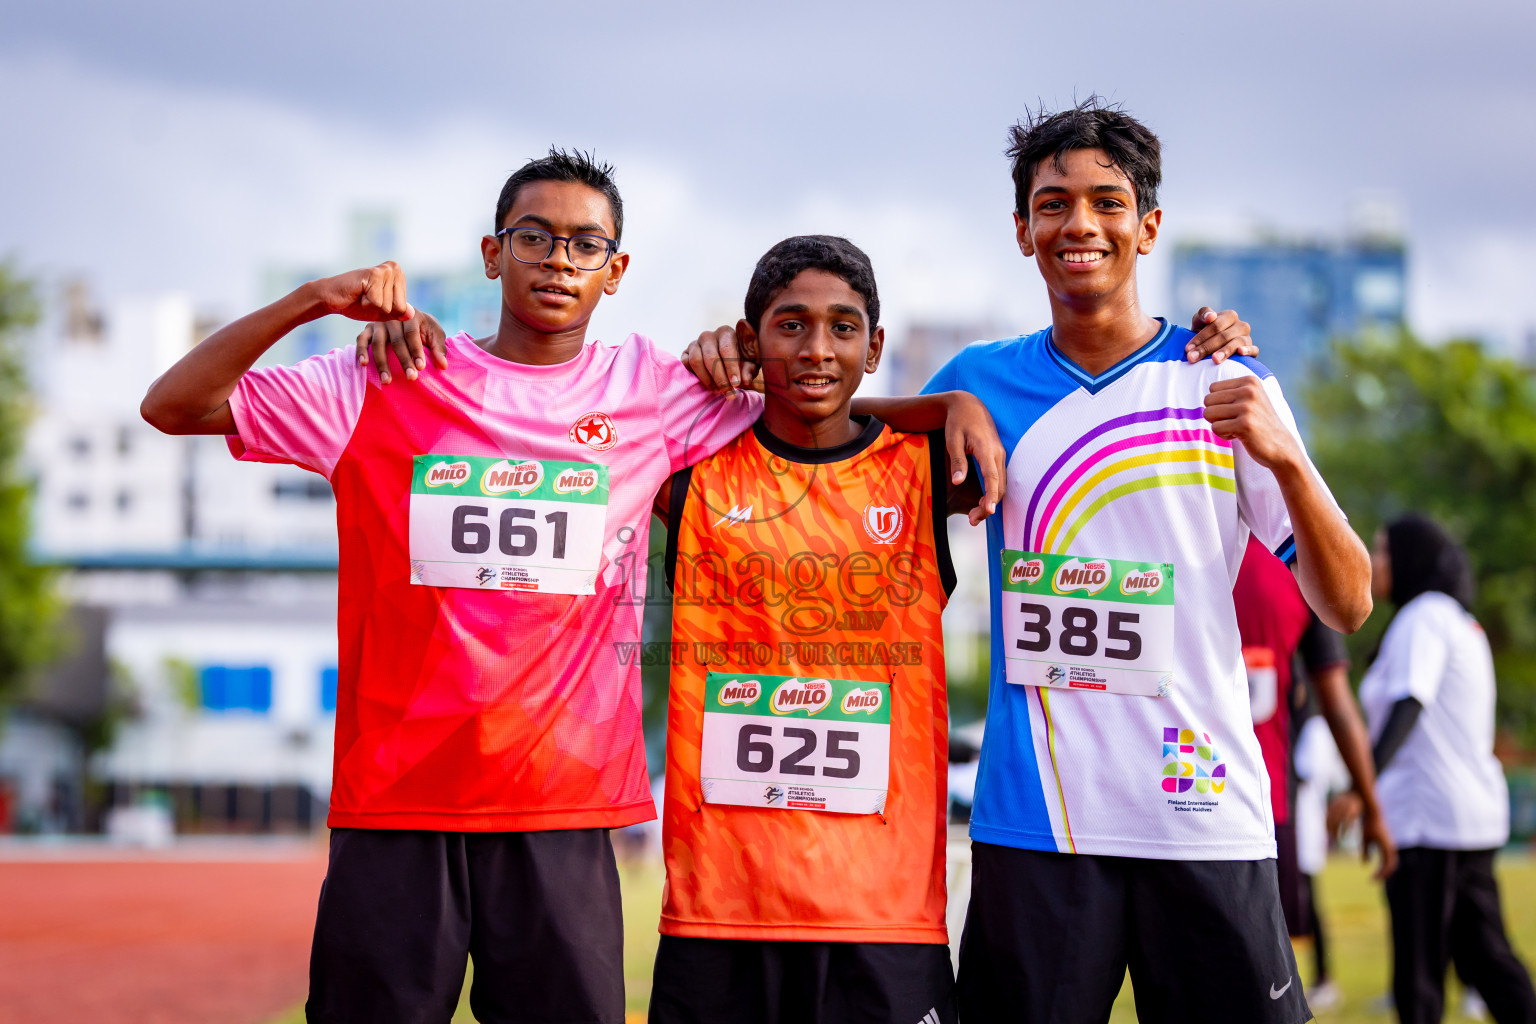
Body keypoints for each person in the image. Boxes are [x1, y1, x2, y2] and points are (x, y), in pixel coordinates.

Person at [139, 150, 997, 1024]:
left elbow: (811, 400)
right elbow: (172, 405)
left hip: (567, 812)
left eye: (585, 245)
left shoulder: (656, 392)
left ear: (615, 270)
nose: (558, 260)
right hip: (397, 807)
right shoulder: (382, 379)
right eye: (535, 238)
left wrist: (948, 408)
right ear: (491, 252)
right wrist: (314, 301)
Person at [907, 99, 1370, 1023]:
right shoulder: (979, 383)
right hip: (1035, 825)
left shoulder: (1227, 381)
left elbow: (1348, 602)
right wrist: (927, 410)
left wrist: (1284, 457)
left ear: (1147, 226)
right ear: (1022, 230)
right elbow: (826, 448)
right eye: (1053, 204)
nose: (1079, 224)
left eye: (1106, 202)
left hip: (1203, 811)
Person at [1350, 515, 1536, 1024]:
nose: (1374, 561)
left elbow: (1411, 701)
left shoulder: (1424, 616)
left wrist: (1358, 789)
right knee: (1486, 957)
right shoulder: (1455, 618)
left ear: (1411, 560)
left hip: (1430, 820)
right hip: (1469, 817)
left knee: (1421, 973)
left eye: (1383, 551)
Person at [1234, 534, 1398, 1008]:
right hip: (1252, 801)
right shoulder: (1293, 567)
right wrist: (1372, 805)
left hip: (1209, 793)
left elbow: (1336, 701)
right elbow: (1338, 701)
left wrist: (1369, 801)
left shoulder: (1295, 562)